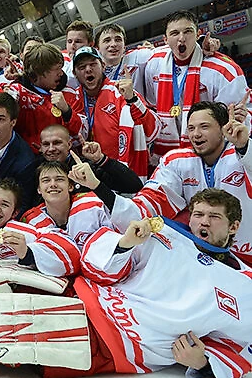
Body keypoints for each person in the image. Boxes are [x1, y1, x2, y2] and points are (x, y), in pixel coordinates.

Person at [0, 188, 252, 378]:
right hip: (85, 295)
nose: (202, 222)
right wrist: (123, 245)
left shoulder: (245, 286)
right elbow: (97, 264)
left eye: (213, 217)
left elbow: (242, 351)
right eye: (198, 214)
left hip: (116, 342)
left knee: (2, 337)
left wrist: (205, 363)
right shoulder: (166, 234)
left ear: (234, 226)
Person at [70, 101, 252, 266]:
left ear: (222, 129)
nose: (196, 134)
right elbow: (145, 208)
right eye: (191, 128)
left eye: (204, 127)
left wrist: (244, 146)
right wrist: (97, 186)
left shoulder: (240, 154)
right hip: (204, 258)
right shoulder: (178, 162)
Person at [143, 10, 248, 158]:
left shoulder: (224, 69)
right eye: (174, 33)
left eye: (188, 31)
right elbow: (151, 104)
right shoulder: (153, 63)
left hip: (211, 153)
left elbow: (241, 116)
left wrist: (240, 117)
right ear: (165, 39)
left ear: (198, 34)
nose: (181, 38)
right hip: (166, 153)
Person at [72, 46, 160, 179]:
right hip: (92, 177)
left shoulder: (121, 92)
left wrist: (132, 100)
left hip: (127, 175)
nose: (88, 69)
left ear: (103, 66)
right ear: (74, 73)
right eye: (82, 67)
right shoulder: (73, 101)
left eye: (93, 64)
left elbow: (153, 132)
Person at [0, 43, 85, 153]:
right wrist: (7, 97)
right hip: (27, 159)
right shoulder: (18, 93)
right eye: (57, 69)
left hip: (63, 159)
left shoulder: (69, 94)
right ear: (40, 72)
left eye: (61, 68)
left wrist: (67, 111)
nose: (61, 73)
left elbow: (83, 135)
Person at [23, 160, 112, 253]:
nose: (53, 184)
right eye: (46, 180)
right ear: (39, 189)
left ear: (70, 186)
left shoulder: (94, 205)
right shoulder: (31, 222)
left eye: (59, 179)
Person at [38, 124, 142, 196]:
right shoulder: (34, 171)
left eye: (57, 143)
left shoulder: (87, 167)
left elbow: (134, 186)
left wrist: (101, 159)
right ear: (41, 147)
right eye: (46, 144)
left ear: (69, 144)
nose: (51, 149)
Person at [63, 20, 94, 89]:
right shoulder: (61, 67)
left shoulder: (98, 65)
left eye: (78, 41)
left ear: (90, 44)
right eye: (69, 41)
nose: (72, 46)